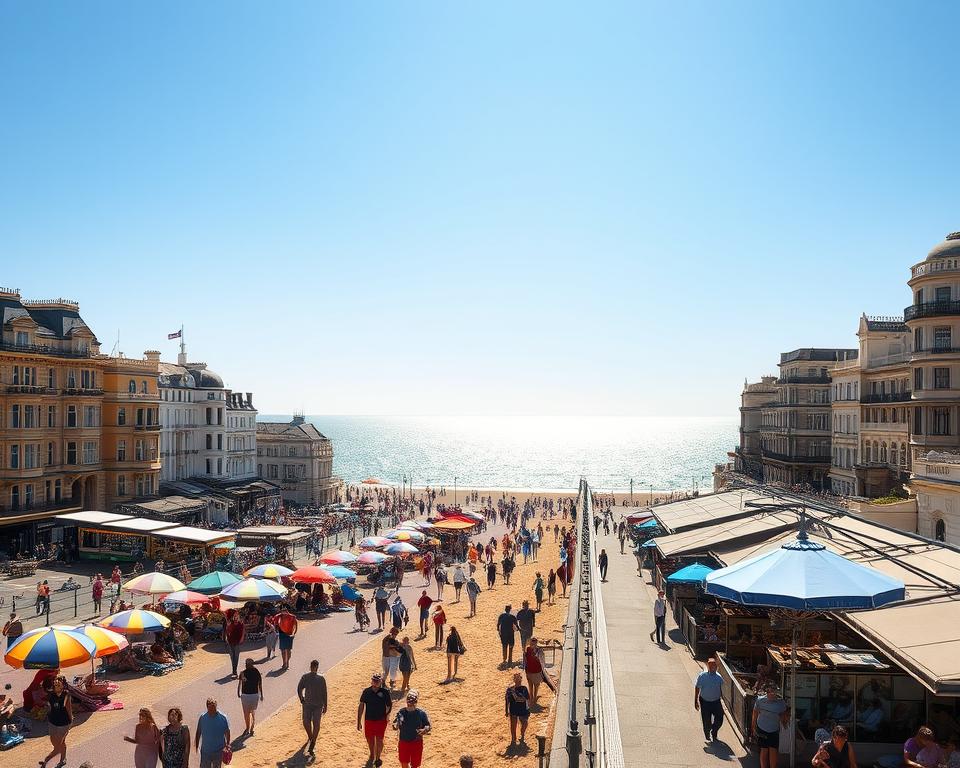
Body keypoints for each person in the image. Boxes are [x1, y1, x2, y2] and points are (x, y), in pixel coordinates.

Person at [358, 672, 393, 768]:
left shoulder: (385, 692)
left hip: (381, 720)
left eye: (377, 681)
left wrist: (387, 715)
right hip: (369, 720)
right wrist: (358, 721)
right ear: (371, 681)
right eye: (374, 680)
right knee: (369, 739)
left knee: (379, 739)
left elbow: (389, 705)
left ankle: (377, 758)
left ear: (381, 681)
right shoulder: (366, 692)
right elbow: (361, 705)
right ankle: (372, 753)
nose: (376, 682)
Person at [752, 685, 788, 768]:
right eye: (769, 692)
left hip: (774, 730)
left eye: (773, 692)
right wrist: (753, 726)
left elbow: (783, 716)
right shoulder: (760, 700)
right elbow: (755, 712)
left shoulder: (781, 703)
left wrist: (785, 720)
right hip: (762, 728)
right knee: (764, 750)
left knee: (773, 751)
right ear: (767, 692)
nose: (771, 694)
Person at [41, 675, 73, 768]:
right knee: (58, 743)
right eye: (55, 685)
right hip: (53, 723)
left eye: (59, 684)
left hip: (64, 724)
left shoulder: (66, 694)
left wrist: (71, 721)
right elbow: (49, 707)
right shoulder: (51, 695)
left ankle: (46, 761)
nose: (57, 686)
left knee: (58, 746)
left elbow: (69, 709)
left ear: (63, 685)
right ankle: (63, 759)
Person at [297, 659, 327, 756]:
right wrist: (301, 699)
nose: (314, 668)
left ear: (316, 667)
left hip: (318, 705)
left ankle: (313, 742)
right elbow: (299, 688)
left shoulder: (321, 678)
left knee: (316, 723)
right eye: (313, 666)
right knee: (306, 722)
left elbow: (324, 693)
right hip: (308, 704)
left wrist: (325, 705)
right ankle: (311, 738)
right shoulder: (305, 677)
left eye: (315, 667)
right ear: (311, 667)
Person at [393, 690, 431, 768]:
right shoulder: (401, 712)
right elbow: (395, 724)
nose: (410, 704)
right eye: (409, 701)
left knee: (415, 765)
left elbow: (428, 726)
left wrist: (425, 730)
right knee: (404, 763)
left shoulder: (421, 713)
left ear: (416, 702)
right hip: (404, 741)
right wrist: (396, 725)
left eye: (412, 702)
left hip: (416, 742)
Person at [695, 657, 724, 742]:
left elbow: (721, 689)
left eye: (714, 665)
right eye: (710, 665)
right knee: (706, 720)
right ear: (708, 666)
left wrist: (721, 701)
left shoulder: (719, 677)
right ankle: (707, 733)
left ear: (716, 666)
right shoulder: (702, 676)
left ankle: (714, 731)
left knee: (720, 718)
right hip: (705, 702)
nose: (712, 667)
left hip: (716, 702)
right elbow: (697, 687)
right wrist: (695, 700)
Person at [195, 698, 230, 768]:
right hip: (205, 751)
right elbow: (198, 732)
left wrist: (227, 744)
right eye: (210, 707)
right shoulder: (202, 718)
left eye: (214, 707)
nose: (212, 710)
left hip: (219, 750)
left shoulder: (223, 718)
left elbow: (227, 732)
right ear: (207, 707)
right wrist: (197, 745)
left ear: (216, 706)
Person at [237, 658, 263, 737]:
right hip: (250, 695)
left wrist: (238, 692)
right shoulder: (252, 672)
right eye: (246, 663)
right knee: (248, 712)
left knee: (248, 712)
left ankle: (250, 725)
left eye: (247, 663)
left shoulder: (247, 673)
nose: (246, 665)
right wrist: (261, 694)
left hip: (249, 695)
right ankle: (249, 727)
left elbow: (260, 684)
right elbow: (260, 684)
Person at [505, 672, 531, 746]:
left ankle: (522, 735)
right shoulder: (509, 689)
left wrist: (528, 708)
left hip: (522, 709)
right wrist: (506, 711)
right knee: (513, 725)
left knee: (524, 724)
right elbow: (507, 700)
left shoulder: (523, 688)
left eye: (518, 677)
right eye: (515, 677)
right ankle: (513, 739)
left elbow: (524, 699)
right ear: (514, 679)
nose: (517, 678)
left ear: (521, 679)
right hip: (513, 709)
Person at [523, 637, 552, 703]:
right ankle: (532, 697)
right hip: (529, 670)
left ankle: (534, 697)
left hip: (536, 671)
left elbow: (542, 660)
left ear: (536, 643)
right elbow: (525, 660)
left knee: (536, 686)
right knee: (530, 686)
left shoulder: (539, 651)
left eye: (534, 643)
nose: (532, 645)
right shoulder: (527, 650)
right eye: (531, 643)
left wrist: (543, 669)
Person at [276, 605, 298, 671]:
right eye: (282, 611)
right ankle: (284, 663)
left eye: (284, 611)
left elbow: (295, 626)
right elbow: (275, 621)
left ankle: (287, 662)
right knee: (283, 650)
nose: (283, 612)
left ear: (287, 611)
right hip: (282, 634)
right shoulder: (279, 616)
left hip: (289, 634)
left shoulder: (292, 617)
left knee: (288, 651)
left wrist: (293, 634)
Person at [224, 612, 245, 678]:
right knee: (232, 657)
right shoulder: (230, 623)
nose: (236, 618)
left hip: (237, 642)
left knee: (236, 657)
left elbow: (243, 631)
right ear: (233, 617)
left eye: (237, 617)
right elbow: (227, 631)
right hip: (231, 641)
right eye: (235, 617)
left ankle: (234, 670)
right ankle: (234, 670)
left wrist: (242, 638)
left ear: (238, 617)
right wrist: (226, 637)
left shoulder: (241, 623)